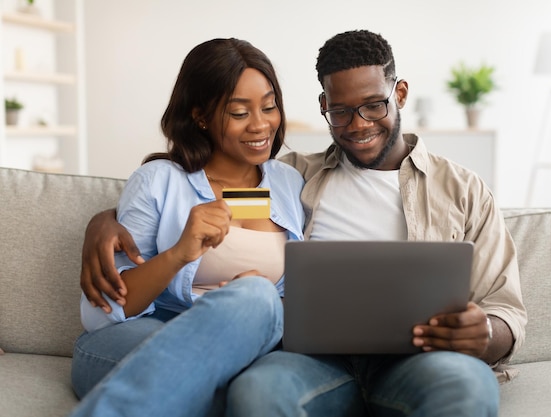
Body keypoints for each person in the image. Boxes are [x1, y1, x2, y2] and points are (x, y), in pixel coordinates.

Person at [81, 30, 527, 417]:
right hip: (312, 358)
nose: (359, 125)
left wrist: (486, 332)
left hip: (417, 358)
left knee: (466, 387)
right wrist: (105, 220)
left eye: (374, 106)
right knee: (258, 390)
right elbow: (209, 192)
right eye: (341, 112)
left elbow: (506, 308)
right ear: (323, 107)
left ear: (401, 93)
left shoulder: (463, 190)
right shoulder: (296, 176)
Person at [68, 38, 305, 417]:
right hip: (144, 337)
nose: (261, 125)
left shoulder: (290, 182)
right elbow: (104, 311)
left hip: (248, 339)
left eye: (269, 106)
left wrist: (246, 301)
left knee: (256, 300)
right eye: (239, 112)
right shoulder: (158, 181)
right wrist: (179, 254)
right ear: (200, 116)